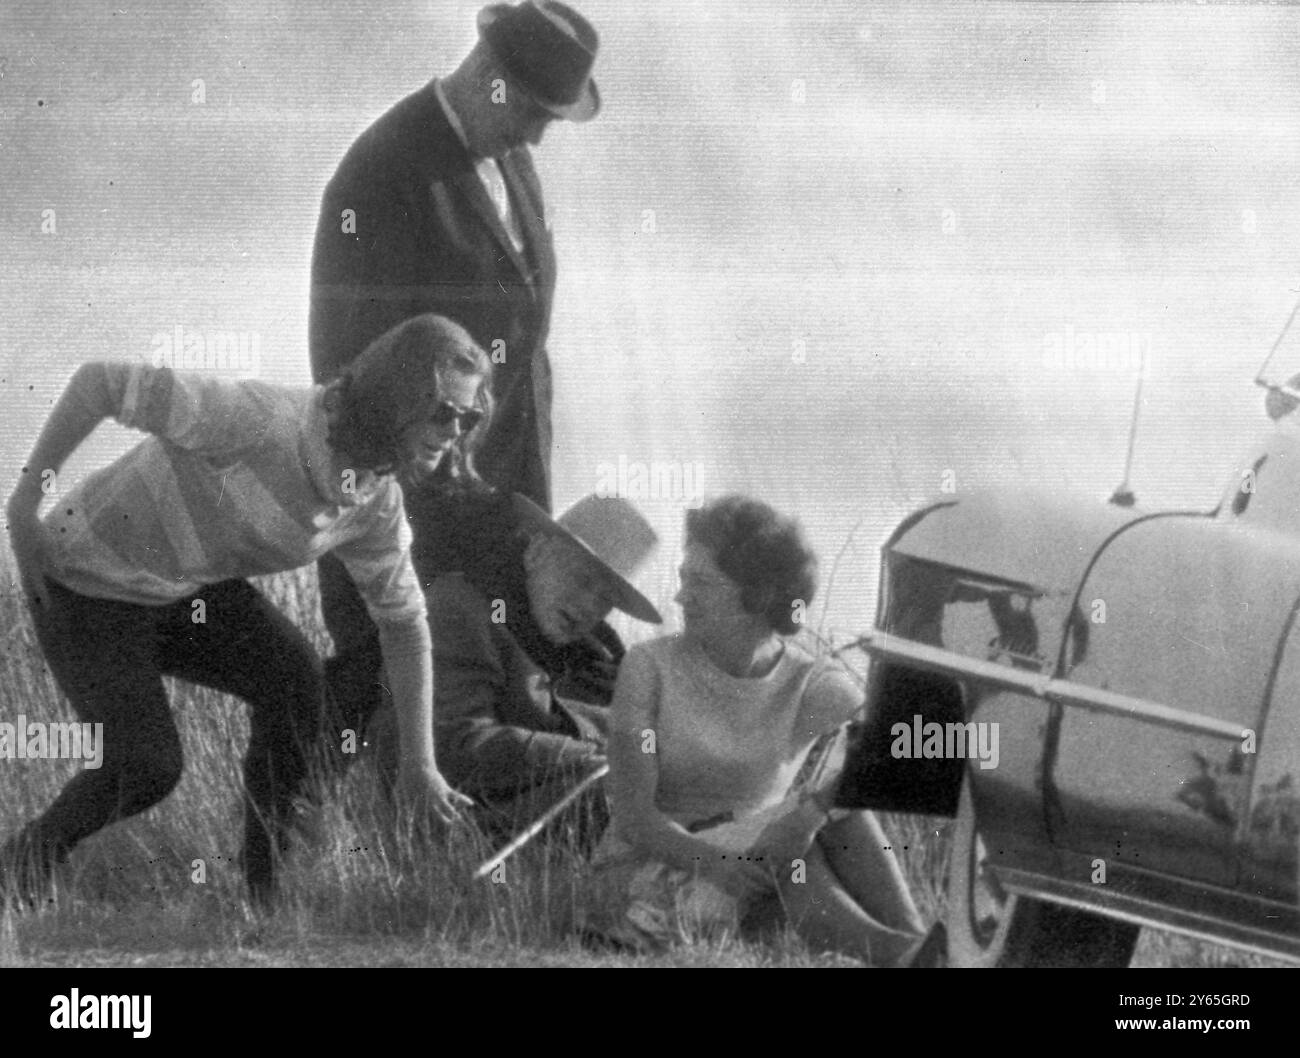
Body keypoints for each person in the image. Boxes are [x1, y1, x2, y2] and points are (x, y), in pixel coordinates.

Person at [1, 313, 483, 906]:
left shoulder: (375, 502)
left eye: (470, 417)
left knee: (298, 684)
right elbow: (101, 382)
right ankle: (17, 868)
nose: (454, 431)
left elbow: (405, 628)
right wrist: (25, 500)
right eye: (444, 411)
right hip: (82, 581)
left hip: (183, 593)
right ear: (398, 396)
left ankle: (263, 897)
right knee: (147, 766)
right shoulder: (257, 421)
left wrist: (421, 765)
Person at [308, 0, 602, 733]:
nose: (539, 131)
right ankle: (299, 832)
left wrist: (524, 512)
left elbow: (525, 343)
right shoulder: (383, 174)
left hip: (509, 497)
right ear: (485, 73)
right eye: (534, 110)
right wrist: (430, 503)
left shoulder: (516, 163)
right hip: (414, 513)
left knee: (535, 690)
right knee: (386, 701)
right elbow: (356, 373)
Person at [594, 495, 930, 965]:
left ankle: (915, 939)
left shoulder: (805, 679)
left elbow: (898, 740)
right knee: (788, 849)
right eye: (683, 578)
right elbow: (634, 816)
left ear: (758, 597)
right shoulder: (650, 667)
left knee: (841, 812)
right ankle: (905, 954)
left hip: (755, 866)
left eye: (701, 583)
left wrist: (809, 814)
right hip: (652, 870)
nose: (679, 597)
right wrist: (720, 862)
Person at [366, 489, 661, 845]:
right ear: (537, 552)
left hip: (556, 819)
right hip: (467, 824)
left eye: (606, 599)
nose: (588, 606)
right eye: (582, 580)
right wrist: (593, 757)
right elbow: (453, 744)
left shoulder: (600, 661)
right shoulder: (461, 610)